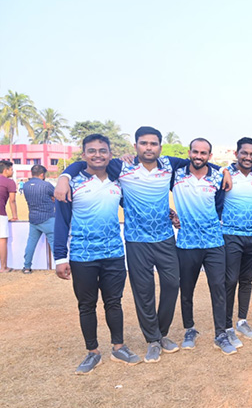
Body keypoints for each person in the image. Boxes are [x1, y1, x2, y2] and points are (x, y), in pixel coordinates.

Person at [55, 126, 231, 363]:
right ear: (135, 146)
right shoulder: (121, 166)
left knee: (172, 285)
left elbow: (200, 161)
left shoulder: (169, 164)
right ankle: (153, 340)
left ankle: (162, 332)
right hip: (136, 241)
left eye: (153, 144)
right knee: (144, 291)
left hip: (165, 239)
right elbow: (87, 162)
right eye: (144, 143)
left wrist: (224, 170)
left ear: (160, 147)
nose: (149, 148)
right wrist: (64, 177)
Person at [54, 134, 141, 374]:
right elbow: (61, 223)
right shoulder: (71, 184)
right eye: (91, 151)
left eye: (102, 151)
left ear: (110, 154)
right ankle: (92, 352)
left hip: (113, 253)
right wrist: (60, 258)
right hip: (82, 256)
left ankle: (119, 347)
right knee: (87, 305)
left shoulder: (118, 182)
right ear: (83, 155)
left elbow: (136, 204)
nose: (97, 155)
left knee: (114, 302)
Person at [173, 138, 235, 355]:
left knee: (218, 287)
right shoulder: (176, 174)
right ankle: (189, 329)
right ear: (189, 152)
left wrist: (224, 170)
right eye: (195, 152)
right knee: (186, 289)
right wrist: (171, 214)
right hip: (186, 243)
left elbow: (219, 206)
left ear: (210, 156)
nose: (198, 156)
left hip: (213, 242)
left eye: (203, 153)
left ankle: (221, 334)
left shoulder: (218, 177)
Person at [222, 137, 252, 343]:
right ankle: (227, 326)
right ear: (236, 153)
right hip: (231, 235)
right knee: (230, 280)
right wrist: (224, 170)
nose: (248, 157)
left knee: (246, 280)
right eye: (244, 153)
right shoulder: (224, 173)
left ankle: (242, 321)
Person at [22, 165, 55, 274]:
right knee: (54, 243)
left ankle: (27, 267)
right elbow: (57, 196)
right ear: (42, 174)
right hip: (48, 217)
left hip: (33, 218)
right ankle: (60, 266)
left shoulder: (26, 185)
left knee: (31, 243)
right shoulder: (46, 185)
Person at [0, 160, 18, 273]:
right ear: (6, 170)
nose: (13, 171)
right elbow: (12, 201)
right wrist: (15, 215)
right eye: (11, 169)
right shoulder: (10, 182)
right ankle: (3, 267)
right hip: (1, 213)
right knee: (2, 240)